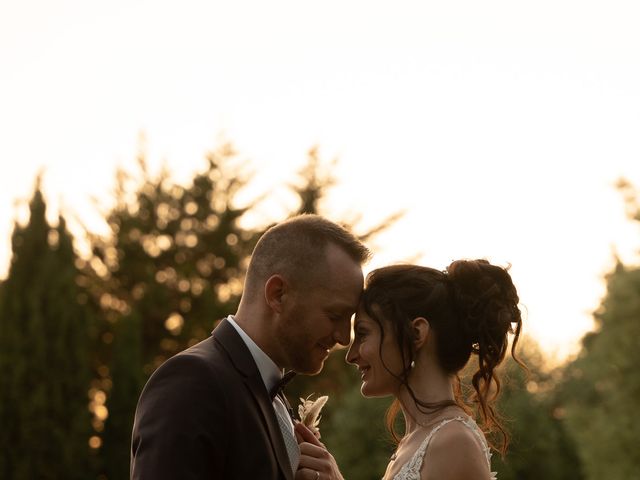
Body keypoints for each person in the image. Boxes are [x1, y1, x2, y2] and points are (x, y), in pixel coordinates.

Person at [130, 214, 371, 480]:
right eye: (335, 315)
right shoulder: (192, 382)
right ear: (278, 294)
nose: (344, 338)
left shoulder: (271, 395)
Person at [295, 259, 524, 480]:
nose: (351, 355)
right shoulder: (415, 440)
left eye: (363, 334)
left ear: (416, 334)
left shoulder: (454, 441)